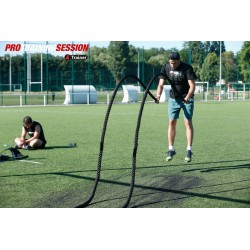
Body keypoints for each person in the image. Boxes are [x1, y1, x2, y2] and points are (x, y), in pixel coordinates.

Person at [156, 52, 197, 162]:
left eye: (174, 63)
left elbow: (192, 85)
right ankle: (171, 149)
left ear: (179, 60)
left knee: (188, 122)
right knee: (172, 122)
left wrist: (188, 96)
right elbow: (160, 84)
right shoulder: (165, 68)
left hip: (186, 99)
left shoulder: (187, 68)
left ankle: (189, 150)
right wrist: (158, 95)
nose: (172, 65)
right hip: (174, 99)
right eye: (171, 63)